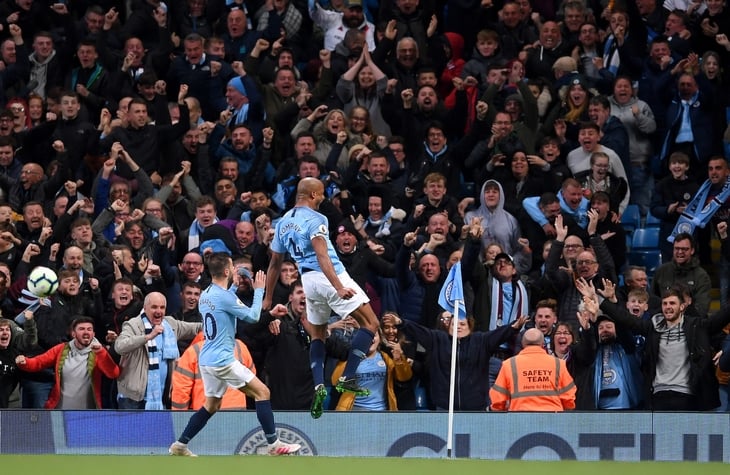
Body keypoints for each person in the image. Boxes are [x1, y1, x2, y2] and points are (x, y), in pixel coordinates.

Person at [264, 177, 380, 419]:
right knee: (371, 323)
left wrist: (268, 297)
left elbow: (275, 263)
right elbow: (322, 255)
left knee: (318, 335)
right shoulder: (317, 219)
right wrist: (338, 286)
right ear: (314, 195)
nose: (324, 199)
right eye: (322, 194)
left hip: (307, 281)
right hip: (329, 276)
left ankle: (318, 384)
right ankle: (348, 376)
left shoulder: (283, 222)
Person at [169, 253, 300, 456]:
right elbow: (253, 316)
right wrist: (259, 290)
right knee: (263, 392)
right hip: (222, 360)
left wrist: (233, 287)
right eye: (232, 266)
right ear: (226, 271)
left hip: (207, 359)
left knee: (212, 405)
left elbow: (222, 306)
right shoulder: (224, 297)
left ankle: (180, 444)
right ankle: (273, 444)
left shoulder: (206, 294)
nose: (234, 270)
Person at [114, 292, 202, 410]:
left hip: (161, 398)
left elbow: (196, 328)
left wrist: (215, 323)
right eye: (154, 307)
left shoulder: (170, 324)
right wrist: (148, 337)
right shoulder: (133, 325)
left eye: (162, 307)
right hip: (133, 399)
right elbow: (119, 346)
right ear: (145, 308)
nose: (158, 311)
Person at [15, 316, 119, 409]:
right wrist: (24, 362)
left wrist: (101, 353)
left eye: (89, 329)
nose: (86, 332)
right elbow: (39, 362)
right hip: (60, 411)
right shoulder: (61, 349)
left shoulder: (99, 351)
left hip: (88, 413)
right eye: (81, 329)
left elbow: (113, 373)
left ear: (93, 334)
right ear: (73, 334)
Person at [489, 328, 577, 411]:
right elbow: (569, 398)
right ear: (543, 344)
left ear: (522, 344)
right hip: (553, 418)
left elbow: (497, 400)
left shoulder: (509, 365)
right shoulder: (558, 364)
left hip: (520, 418)